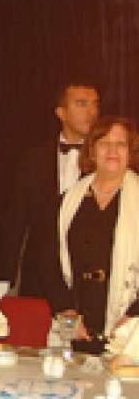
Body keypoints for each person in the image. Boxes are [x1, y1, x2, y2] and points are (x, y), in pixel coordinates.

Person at [0, 82, 99, 301]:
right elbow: (16, 221)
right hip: (39, 273)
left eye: (95, 104)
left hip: (89, 273)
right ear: (61, 113)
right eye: (81, 104)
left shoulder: (105, 161)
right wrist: (4, 275)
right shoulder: (33, 161)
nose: (91, 112)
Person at [42, 116, 139, 345]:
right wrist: (67, 312)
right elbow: (47, 262)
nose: (112, 151)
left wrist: (131, 318)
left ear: (130, 152)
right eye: (105, 143)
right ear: (92, 151)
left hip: (130, 328)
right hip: (77, 326)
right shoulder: (67, 202)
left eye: (121, 144)